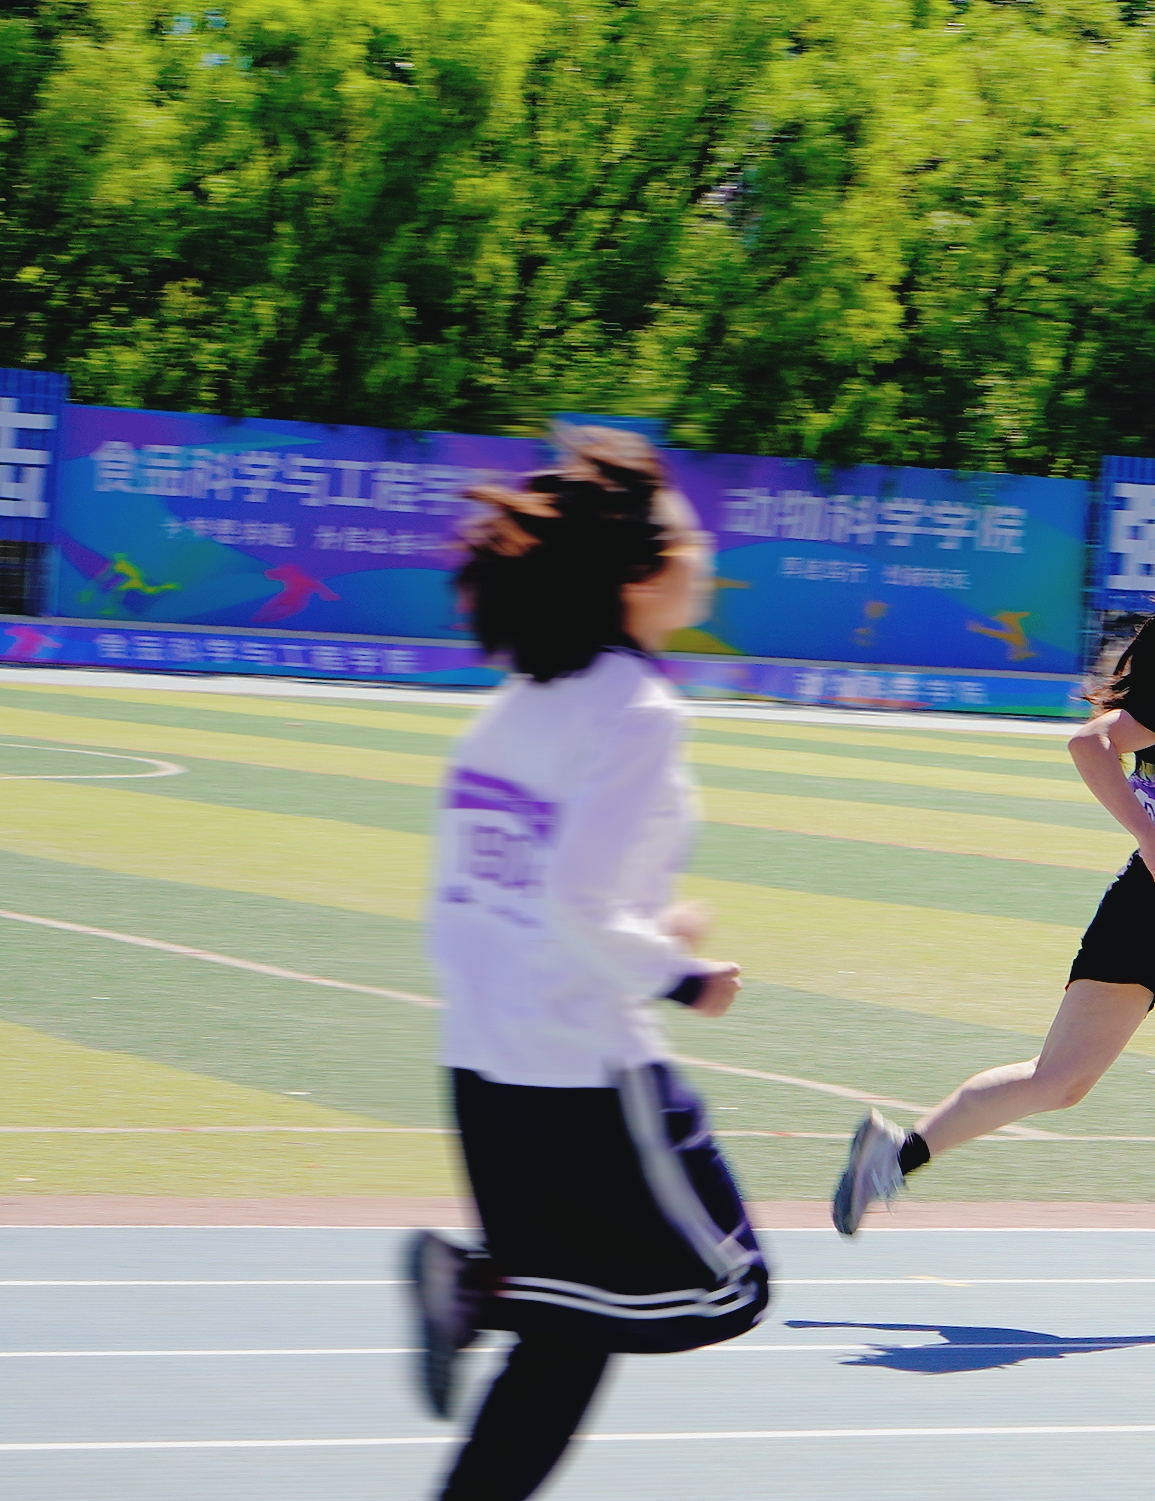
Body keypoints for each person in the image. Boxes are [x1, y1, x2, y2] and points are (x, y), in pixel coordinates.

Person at [407, 428, 770, 1501]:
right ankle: (481, 1287)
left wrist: (650, 928)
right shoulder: (637, 711)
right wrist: (681, 976)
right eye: (690, 536)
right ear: (639, 574)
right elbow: (573, 902)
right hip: (586, 1072)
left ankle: (490, 1295)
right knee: (726, 1283)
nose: (705, 552)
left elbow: (480, 899)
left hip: (483, 1062)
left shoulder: (513, 707)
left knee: (568, 1340)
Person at [830, 542, 1155, 1234]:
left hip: (1139, 909)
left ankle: (892, 1157)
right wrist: (1151, 837)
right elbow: (1089, 744)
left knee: (1058, 1080)